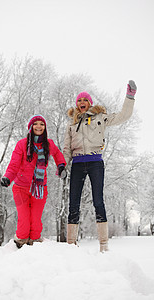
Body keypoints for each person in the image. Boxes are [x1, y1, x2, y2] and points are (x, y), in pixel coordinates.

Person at [63, 80, 137, 252]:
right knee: (73, 202)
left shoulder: (100, 118)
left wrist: (129, 97)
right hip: (78, 164)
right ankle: (71, 244)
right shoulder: (72, 124)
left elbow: (122, 116)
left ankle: (104, 245)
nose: (82, 103)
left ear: (90, 103)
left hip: (95, 162)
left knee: (98, 201)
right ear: (77, 105)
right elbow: (67, 147)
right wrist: (63, 166)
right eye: (79, 101)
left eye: (85, 100)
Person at [1, 114, 66, 248]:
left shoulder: (49, 144)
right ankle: (20, 243)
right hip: (20, 188)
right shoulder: (22, 144)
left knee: (35, 222)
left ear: (45, 127)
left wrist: (61, 167)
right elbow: (14, 164)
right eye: (36, 124)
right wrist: (7, 177)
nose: (39, 126)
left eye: (41, 124)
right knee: (24, 221)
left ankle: (35, 247)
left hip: (40, 188)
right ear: (31, 127)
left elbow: (58, 155)